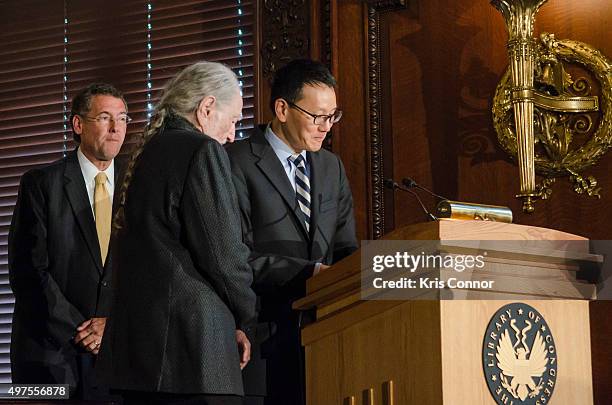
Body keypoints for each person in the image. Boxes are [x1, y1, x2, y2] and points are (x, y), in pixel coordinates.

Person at [98, 61, 256, 405]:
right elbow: (223, 254)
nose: (231, 135)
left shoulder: (146, 153)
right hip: (195, 355)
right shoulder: (201, 150)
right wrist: (248, 316)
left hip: (141, 357)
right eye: (232, 121)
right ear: (207, 107)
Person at [226, 59, 359, 405]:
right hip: (260, 337)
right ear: (282, 109)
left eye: (332, 116)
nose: (326, 127)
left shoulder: (331, 168)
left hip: (326, 339)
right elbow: (233, 256)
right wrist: (310, 273)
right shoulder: (235, 161)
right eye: (317, 117)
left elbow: (346, 249)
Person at [9, 83, 128, 399]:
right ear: (78, 124)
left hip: (119, 360)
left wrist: (112, 326)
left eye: (123, 119)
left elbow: (153, 271)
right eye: (105, 118)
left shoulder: (141, 185)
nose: (116, 129)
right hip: (49, 357)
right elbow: (29, 272)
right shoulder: (41, 184)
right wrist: (84, 331)